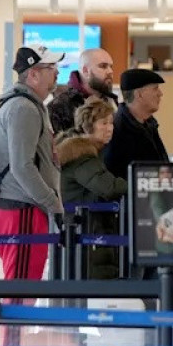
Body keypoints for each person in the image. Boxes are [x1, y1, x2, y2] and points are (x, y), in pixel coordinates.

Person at [0, 45, 64, 283]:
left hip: (26, 207)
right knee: (20, 288)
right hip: (23, 209)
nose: (57, 73)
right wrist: (52, 203)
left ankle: (14, 323)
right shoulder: (23, 108)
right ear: (33, 74)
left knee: (24, 285)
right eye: (51, 68)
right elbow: (22, 166)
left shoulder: (29, 105)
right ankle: (10, 323)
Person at [55, 98, 127, 279]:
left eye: (111, 123)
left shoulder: (86, 153)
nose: (109, 128)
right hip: (85, 233)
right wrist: (141, 183)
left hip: (83, 231)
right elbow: (109, 187)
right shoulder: (83, 157)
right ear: (88, 126)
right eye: (103, 123)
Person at [103, 69, 169, 180]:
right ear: (139, 95)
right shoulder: (118, 132)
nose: (160, 94)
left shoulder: (148, 124)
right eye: (155, 89)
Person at [47, 48, 117, 135]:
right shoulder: (59, 106)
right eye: (103, 66)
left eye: (111, 67)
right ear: (85, 71)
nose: (110, 71)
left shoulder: (113, 101)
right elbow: (59, 146)